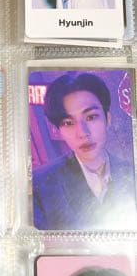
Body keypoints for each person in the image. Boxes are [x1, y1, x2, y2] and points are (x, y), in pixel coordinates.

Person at [31, 72, 137, 231]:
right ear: (58, 131)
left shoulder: (131, 173)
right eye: (68, 123)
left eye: (91, 117)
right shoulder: (40, 185)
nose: (82, 132)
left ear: (107, 119)